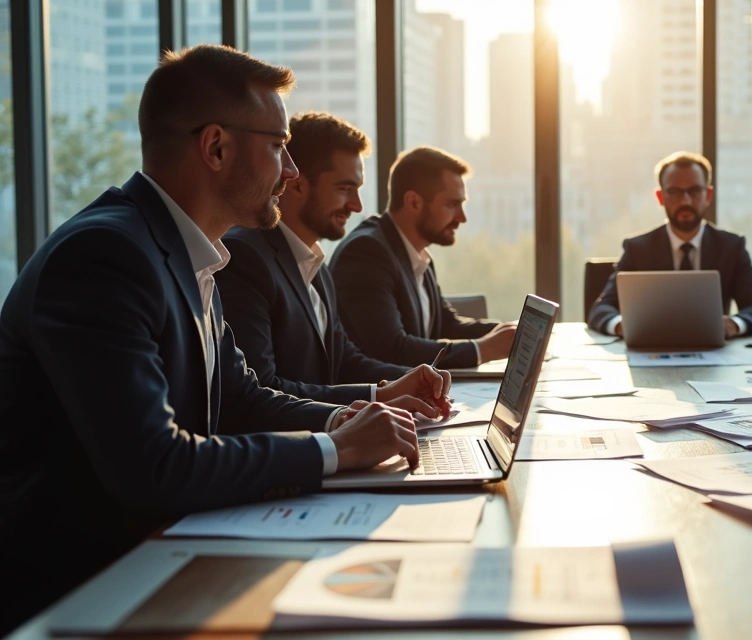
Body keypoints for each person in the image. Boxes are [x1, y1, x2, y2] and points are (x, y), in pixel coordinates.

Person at [0, 45, 443, 632]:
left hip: (158, 555)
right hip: (81, 592)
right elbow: (152, 465)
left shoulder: (184, 253)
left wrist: (348, 420)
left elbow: (239, 396)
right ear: (216, 147)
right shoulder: (104, 257)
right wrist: (337, 451)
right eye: (279, 146)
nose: (291, 172)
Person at [217, 112, 448, 415]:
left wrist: (406, 380)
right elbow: (262, 389)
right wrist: (374, 400)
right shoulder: (244, 256)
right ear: (297, 185)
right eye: (344, 188)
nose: (357, 205)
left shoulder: (316, 266)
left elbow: (345, 360)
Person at [330, 146, 516, 370]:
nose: (461, 218)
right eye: (451, 204)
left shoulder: (415, 252)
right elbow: (391, 349)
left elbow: (446, 325)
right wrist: (483, 349)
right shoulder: (366, 253)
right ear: (413, 202)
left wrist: (514, 333)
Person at [588, 151, 752, 338]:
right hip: (651, 352)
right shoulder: (638, 249)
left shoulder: (731, 247)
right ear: (660, 197)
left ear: (708, 195)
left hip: (716, 355)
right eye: (674, 192)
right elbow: (601, 309)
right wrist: (621, 325)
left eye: (694, 191)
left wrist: (734, 324)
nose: (685, 201)